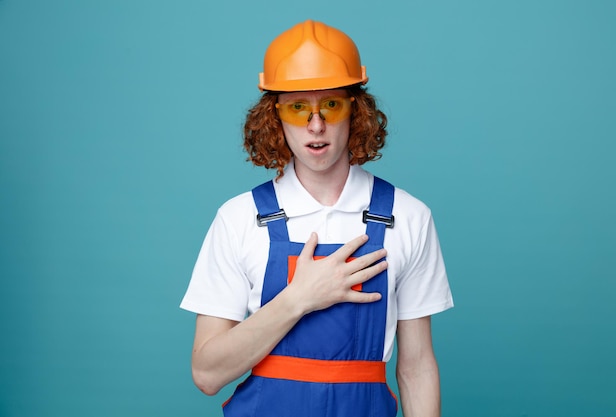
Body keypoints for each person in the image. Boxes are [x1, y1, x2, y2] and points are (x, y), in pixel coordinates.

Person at [180, 20, 453, 417]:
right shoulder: (239, 218)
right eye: (297, 108)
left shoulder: (407, 216)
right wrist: (299, 299)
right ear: (274, 117)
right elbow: (206, 373)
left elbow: (416, 368)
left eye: (331, 104)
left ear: (355, 111)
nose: (316, 124)